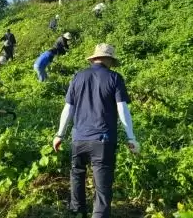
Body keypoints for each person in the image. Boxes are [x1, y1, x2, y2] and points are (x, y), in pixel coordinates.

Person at [53, 43, 140, 218]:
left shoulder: (78, 77)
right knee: (102, 186)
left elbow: (67, 109)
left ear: (94, 58)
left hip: (79, 139)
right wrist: (131, 137)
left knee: (77, 174)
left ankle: (78, 212)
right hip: (103, 140)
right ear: (109, 60)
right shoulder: (114, 78)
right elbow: (122, 109)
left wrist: (59, 134)